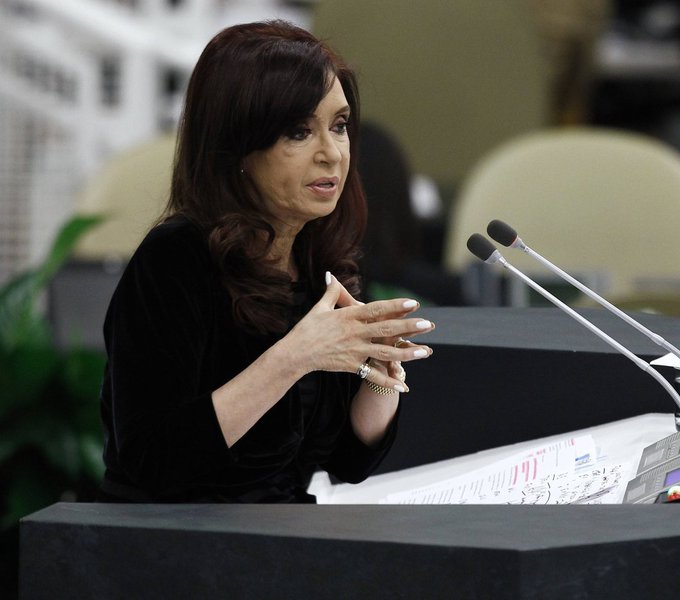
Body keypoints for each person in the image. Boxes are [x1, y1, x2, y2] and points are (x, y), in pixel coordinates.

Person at [96, 20, 435, 503]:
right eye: (299, 132)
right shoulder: (174, 259)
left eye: (339, 126)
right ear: (237, 148)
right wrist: (296, 356)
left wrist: (381, 377)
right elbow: (153, 460)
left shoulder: (323, 258)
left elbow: (347, 462)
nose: (332, 154)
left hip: (279, 537)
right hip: (172, 548)